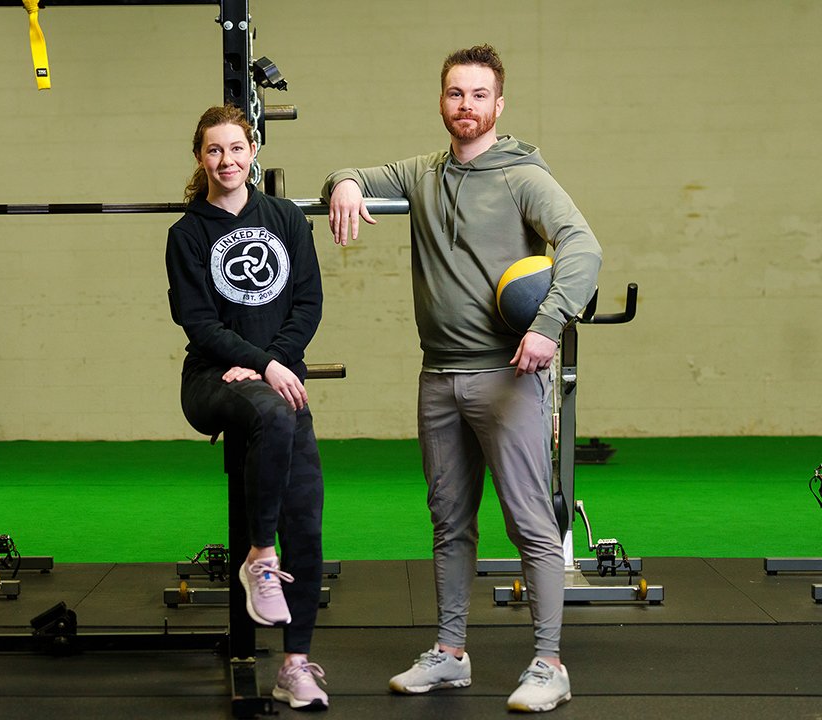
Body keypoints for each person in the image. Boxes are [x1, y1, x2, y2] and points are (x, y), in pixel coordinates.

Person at [322, 44, 602, 713]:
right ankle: (449, 654)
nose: (466, 106)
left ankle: (549, 664)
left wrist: (549, 325)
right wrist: (346, 185)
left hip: (506, 376)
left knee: (530, 525)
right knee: (450, 525)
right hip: (438, 376)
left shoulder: (523, 176)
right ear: (441, 99)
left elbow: (584, 247)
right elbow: (352, 170)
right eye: (455, 94)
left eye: (479, 95)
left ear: (498, 105)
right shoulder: (421, 173)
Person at [166, 105, 329, 711]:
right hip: (211, 379)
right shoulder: (187, 234)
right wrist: (260, 365)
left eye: (236, 149)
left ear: (253, 149)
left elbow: (307, 304)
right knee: (272, 413)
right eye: (214, 151)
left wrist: (270, 364)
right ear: (200, 157)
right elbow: (198, 321)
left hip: (279, 381)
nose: (227, 161)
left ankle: (294, 664)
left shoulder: (285, 218)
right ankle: (261, 556)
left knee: (307, 518)